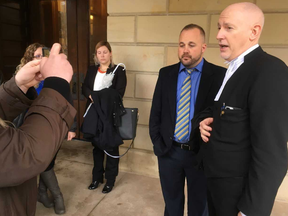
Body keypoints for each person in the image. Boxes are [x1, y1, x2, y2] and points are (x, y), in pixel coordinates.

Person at [198, 3, 288, 216]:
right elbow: (219, 109)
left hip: (238, 198)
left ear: (254, 32)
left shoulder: (270, 71)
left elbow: (272, 154)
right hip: (216, 187)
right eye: (219, 27)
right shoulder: (233, 68)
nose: (219, 35)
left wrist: (251, 210)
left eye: (228, 28)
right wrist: (205, 120)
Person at [149, 24, 225, 216]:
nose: (185, 50)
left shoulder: (219, 76)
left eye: (191, 44)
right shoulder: (166, 74)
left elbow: (221, 118)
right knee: (172, 205)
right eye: (182, 44)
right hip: (169, 152)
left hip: (200, 155)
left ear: (203, 47)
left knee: (199, 207)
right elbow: (156, 113)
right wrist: (159, 144)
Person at [0, 43, 76, 216]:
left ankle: (44, 193)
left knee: (48, 164)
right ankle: (56, 197)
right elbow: (25, 153)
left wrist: (17, 87)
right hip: (35, 129)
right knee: (45, 165)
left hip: (46, 127)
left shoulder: (30, 77)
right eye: (37, 56)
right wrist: (57, 84)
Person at [82, 41, 127, 193]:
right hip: (94, 113)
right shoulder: (91, 70)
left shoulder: (118, 71)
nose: (102, 55)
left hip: (110, 114)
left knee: (111, 148)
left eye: (105, 52)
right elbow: (85, 87)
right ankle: (96, 177)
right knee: (97, 148)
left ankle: (110, 180)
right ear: (96, 55)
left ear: (110, 53)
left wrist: (100, 97)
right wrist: (91, 95)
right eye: (99, 52)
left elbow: (119, 92)